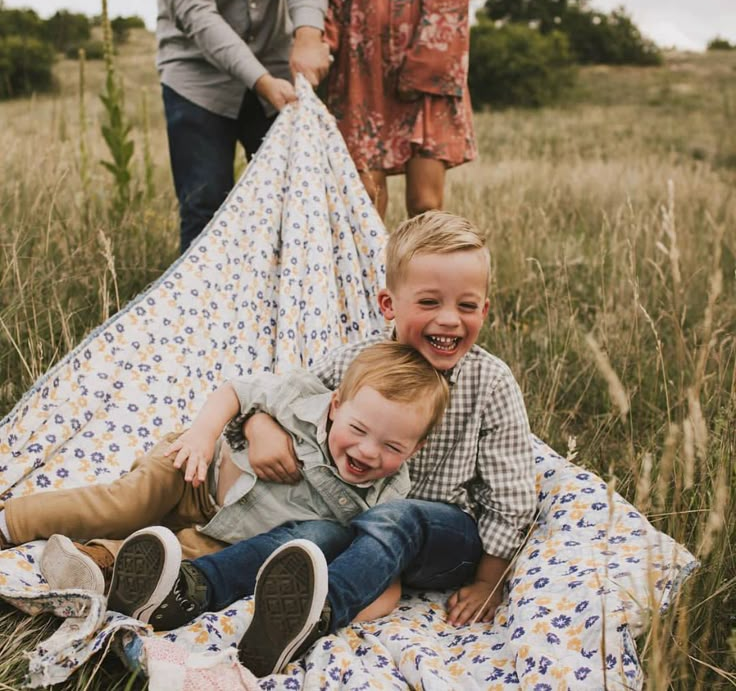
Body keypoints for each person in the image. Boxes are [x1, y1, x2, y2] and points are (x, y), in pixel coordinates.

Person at [104, 211, 537, 676]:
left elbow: (510, 496)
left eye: (467, 307)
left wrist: (489, 579)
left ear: (484, 310)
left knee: (394, 517)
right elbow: (289, 400)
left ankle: (316, 615)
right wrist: (259, 427)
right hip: (359, 537)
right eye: (430, 302)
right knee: (311, 535)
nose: (449, 320)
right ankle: (191, 591)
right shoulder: (358, 360)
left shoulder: (489, 382)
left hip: (441, 538)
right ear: (390, 304)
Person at [0, 342, 449, 600]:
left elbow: (377, 556)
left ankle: (97, 561)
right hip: (196, 474)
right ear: (336, 406)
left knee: (187, 556)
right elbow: (236, 391)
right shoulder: (301, 398)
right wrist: (199, 435)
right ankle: (10, 521)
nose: (369, 452)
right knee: (125, 502)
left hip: (230, 534)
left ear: (416, 448)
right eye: (358, 429)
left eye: (392, 446)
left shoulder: (389, 498)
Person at [152, 0, 332, 251]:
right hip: (197, 77)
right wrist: (262, 81)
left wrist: (308, 36)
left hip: (275, 63)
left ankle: (281, 292)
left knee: (291, 202)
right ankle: (204, 292)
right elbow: (197, 13)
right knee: (205, 203)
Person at [324, 0, 477, 219]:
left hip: (426, 52)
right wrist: (324, 36)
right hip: (361, 60)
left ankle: (424, 257)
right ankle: (373, 258)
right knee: (364, 197)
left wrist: (427, 62)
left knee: (425, 202)